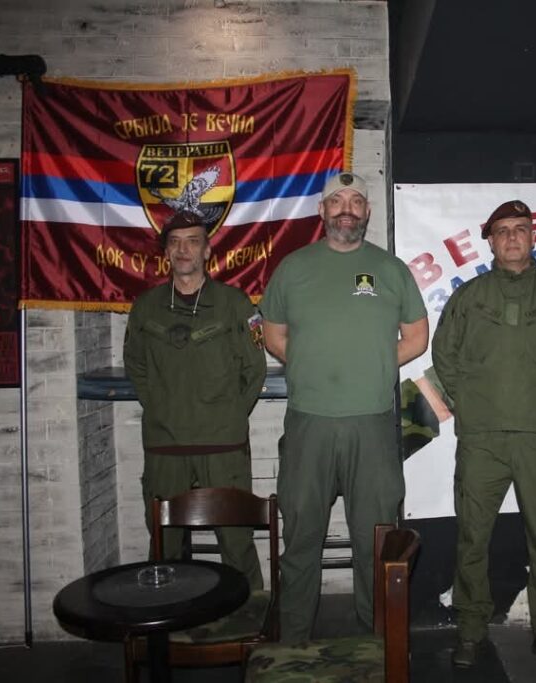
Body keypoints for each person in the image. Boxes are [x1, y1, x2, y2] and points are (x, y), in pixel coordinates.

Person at [261, 172, 429, 643]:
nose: (347, 209)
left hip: (371, 426)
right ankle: (293, 641)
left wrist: (373, 362)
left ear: (367, 212)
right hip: (309, 424)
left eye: (356, 201)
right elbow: (273, 334)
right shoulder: (293, 268)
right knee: (301, 537)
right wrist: (311, 363)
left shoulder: (390, 269)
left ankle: (377, 642)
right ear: (322, 211)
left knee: (377, 539)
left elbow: (417, 337)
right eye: (338, 201)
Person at [432, 200, 536, 673]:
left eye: (520, 229)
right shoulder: (469, 297)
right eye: (502, 231)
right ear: (490, 241)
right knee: (472, 538)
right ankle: (470, 630)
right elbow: (444, 355)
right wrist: (473, 403)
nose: (511, 238)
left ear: (532, 236)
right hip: (482, 439)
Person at [123, 210, 267, 591]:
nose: (183, 250)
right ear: (166, 252)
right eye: (174, 242)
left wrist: (228, 415)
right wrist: (161, 407)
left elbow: (255, 369)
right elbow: (135, 364)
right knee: (164, 549)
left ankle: (252, 618)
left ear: (207, 250)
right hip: (165, 448)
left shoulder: (234, 304)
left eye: (192, 241)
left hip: (223, 448)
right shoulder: (147, 307)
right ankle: (170, 622)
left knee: (237, 544)